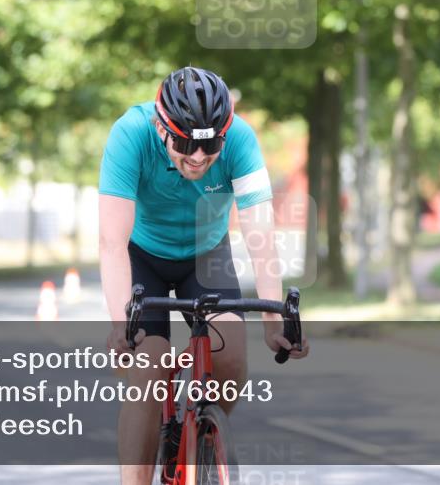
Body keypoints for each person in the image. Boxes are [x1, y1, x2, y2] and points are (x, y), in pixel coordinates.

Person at [99, 66, 308, 485]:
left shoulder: (242, 140)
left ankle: (201, 439)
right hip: (144, 258)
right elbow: (111, 242)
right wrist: (122, 324)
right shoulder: (130, 133)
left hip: (206, 254)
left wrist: (273, 321)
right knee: (149, 371)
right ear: (162, 128)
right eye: (184, 144)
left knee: (231, 359)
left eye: (210, 145)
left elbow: (260, 233)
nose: (198, 157)